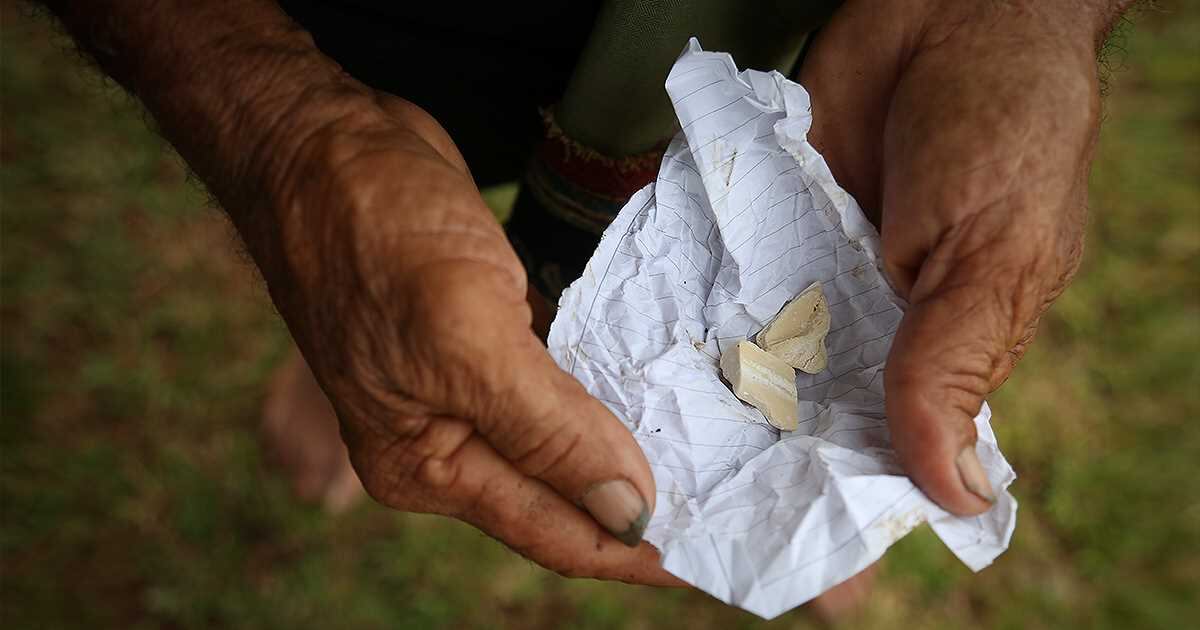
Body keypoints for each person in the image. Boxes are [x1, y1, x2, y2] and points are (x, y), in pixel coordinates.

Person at [42, 0, 1131, 607]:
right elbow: (330, 155)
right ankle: (375, 339)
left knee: (848, 237)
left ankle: (826, 499)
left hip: (812, 32)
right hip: (384, 18)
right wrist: (277, 132)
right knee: (393, 204)